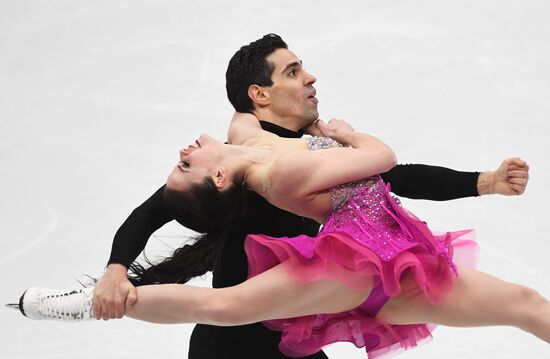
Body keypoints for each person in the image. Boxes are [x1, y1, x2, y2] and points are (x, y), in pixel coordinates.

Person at [20, 34, 530, 359]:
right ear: (260, 95)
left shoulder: (302, 145)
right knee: (224, 307)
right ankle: (90, 305)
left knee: (520, 304)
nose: (310, 78)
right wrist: (114, 272)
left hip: (299, 328)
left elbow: (394, 177)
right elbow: (149, 214)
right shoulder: (242, 155)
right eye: (292, 72)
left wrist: (483, 181)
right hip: (236, 343)